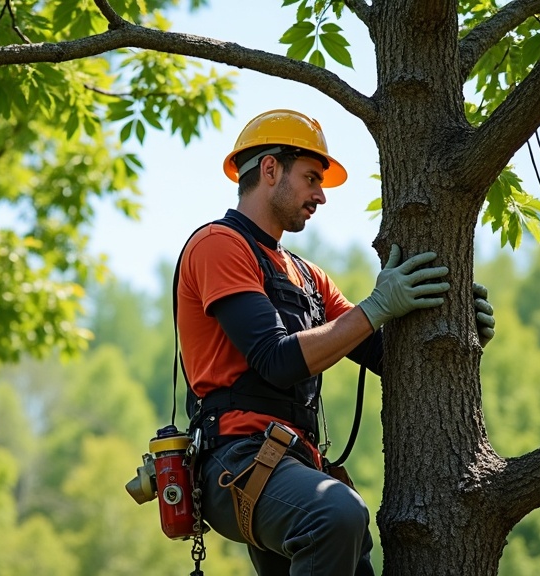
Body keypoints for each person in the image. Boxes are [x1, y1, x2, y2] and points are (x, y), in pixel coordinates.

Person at [176, 109, 495, 576]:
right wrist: (378, 305)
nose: (320, 196)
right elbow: (276, 360)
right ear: (269, 169)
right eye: (310, 178)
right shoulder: (218, 245)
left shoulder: (307, 277)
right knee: (336, 514)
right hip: (236, 460)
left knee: (350, 545)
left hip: (292, 466)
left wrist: (461, 332)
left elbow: (386, 356)